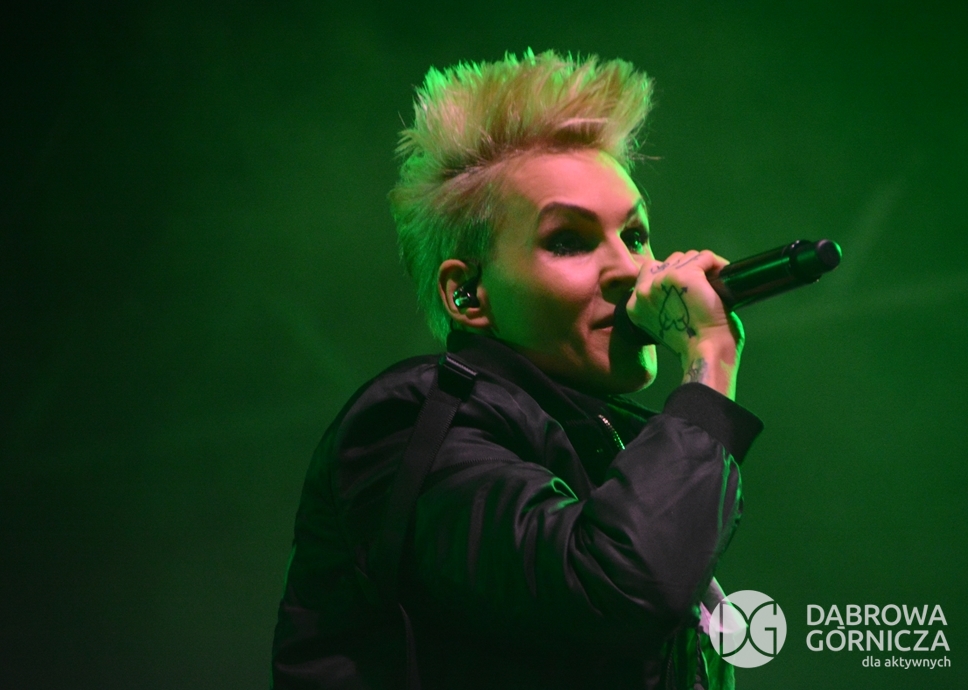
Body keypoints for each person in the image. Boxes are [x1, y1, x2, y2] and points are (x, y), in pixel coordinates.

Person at [272, 50, 763, 690]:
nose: (631, 269)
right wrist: (709, 359)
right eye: (569, 241)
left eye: (636, 235)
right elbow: (615, 592)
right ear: (468, 294)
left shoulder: (617, 450)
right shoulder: (416, 423)